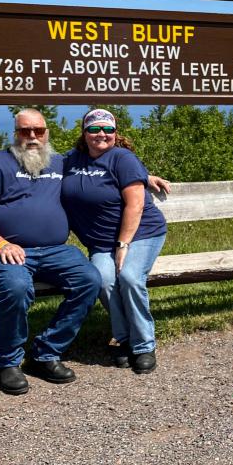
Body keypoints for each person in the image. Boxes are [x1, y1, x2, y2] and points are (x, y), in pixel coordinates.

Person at [0, 109, 102, 396]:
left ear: (47, 132)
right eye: (25, 131)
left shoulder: (61, 162)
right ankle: (8, 362)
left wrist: (142, 176)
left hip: (56, 250)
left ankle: (45, 353)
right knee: (16, 287)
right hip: (5, 251)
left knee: (90, 280)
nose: (32, 136)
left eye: (39, 130)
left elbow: (105, 168)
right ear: (15, 133)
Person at [61, 109, 170, 375]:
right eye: (94, 128)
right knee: (103, 280)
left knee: (130, 277)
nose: (101, 134)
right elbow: (44, 174)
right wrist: (145, 176)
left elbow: (135, 205)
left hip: (141, 234)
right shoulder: (71, 160)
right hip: (100, 241)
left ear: (115, 133)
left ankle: (144, 345)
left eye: (108, 129)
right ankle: (125, 339)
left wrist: (123, 245)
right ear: (84, 133)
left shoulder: (122, 157)